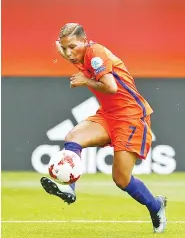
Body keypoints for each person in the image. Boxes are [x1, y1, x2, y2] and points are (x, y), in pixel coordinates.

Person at [40, 23, 167, 233]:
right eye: (65, 48)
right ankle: (69, 189)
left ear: (84, 41)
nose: (69, 54)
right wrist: (61, 45)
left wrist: (85, 80)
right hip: (108, 116)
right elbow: (61, 47)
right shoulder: (77, 54)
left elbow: (111, 87)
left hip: (131, 116)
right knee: (73, 137)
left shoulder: (96, 54)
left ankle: (156, 206)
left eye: (72, 47)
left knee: (121, 179)